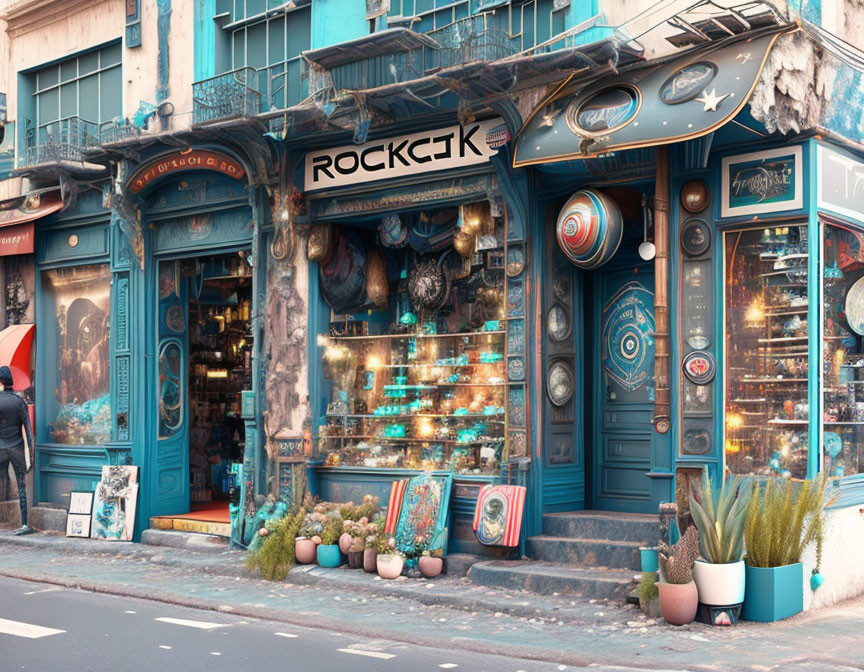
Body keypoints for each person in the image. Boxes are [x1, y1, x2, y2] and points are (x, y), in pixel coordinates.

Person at [0, 366, 34, 535]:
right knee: (21, 485)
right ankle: (24, 523)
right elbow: (28, 430)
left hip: (1, 447)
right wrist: (31, 456)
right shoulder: (19, 401)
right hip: (16, 448)